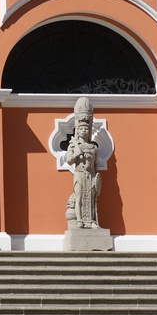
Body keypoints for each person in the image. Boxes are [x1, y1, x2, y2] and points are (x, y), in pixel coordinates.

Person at [64, 96, 100, 230]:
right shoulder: (73, 145)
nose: (84, 130)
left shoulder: (93, 147)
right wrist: (76, 153)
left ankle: (91, 221)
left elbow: (96, 164)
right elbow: (69, 160)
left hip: (90, 174)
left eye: (86, 128)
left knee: (90, 198)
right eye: (81, 129)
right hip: (79, 173)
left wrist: (97, 178)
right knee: (79, 197)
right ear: (77, 130)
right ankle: (79, 221)